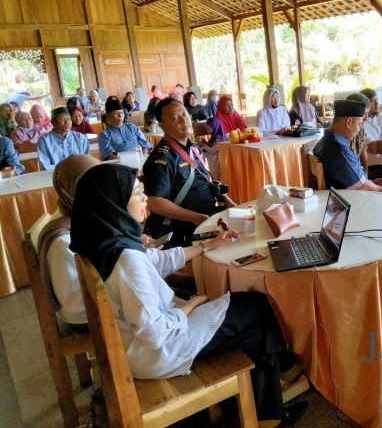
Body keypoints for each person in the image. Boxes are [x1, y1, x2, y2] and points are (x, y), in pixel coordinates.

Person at [69, 164, 308, 425]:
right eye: (137, 193)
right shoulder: (126, 260)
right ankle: (288, 368)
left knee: (256, 333)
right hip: (159, 352)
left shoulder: (104, 241)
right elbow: (155, 333)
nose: (145, 199)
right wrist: (189, 307)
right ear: (113, 203)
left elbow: (157, 261)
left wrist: (208, 245)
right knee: (256, 302)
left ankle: (263, 414)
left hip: (144, 345)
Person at [142, 98, 236, 247]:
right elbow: (154, 202)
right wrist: (195, 217)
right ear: (162, 126)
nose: (183, 120)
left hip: (207, 220)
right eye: (174, 117)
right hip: (181, 231)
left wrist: (225, 199)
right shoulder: (161, 158)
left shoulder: (194, 148)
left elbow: (204, 179)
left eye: (184, 114)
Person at [37, 155, 101, 325]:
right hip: (84, 316)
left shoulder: (80, 217)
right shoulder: (63, 240)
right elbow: (75, 307)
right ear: (70, 191)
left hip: (95, 301)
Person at [313, 100, 382, 192]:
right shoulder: (339, 149)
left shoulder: (325, 140)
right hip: (351, 200)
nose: (359, 130)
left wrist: (370, 182)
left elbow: (359, 183)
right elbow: (363, 188)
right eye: (359, 124)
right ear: (349, 122)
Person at [346, 93, 370, 173]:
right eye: (364, 114)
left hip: (359, 176)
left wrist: (367, 178)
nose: (366, 118)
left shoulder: (360, 128)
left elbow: (363, 153)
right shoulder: (342, 135)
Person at [198, 116, 225, 180]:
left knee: (215, 177)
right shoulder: (214, 136)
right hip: (213, 159)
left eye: (208, 128)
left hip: (216, 160)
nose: (206, 130)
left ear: (214, 127)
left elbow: (213, 150)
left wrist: (203, 146)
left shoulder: (219, 138)